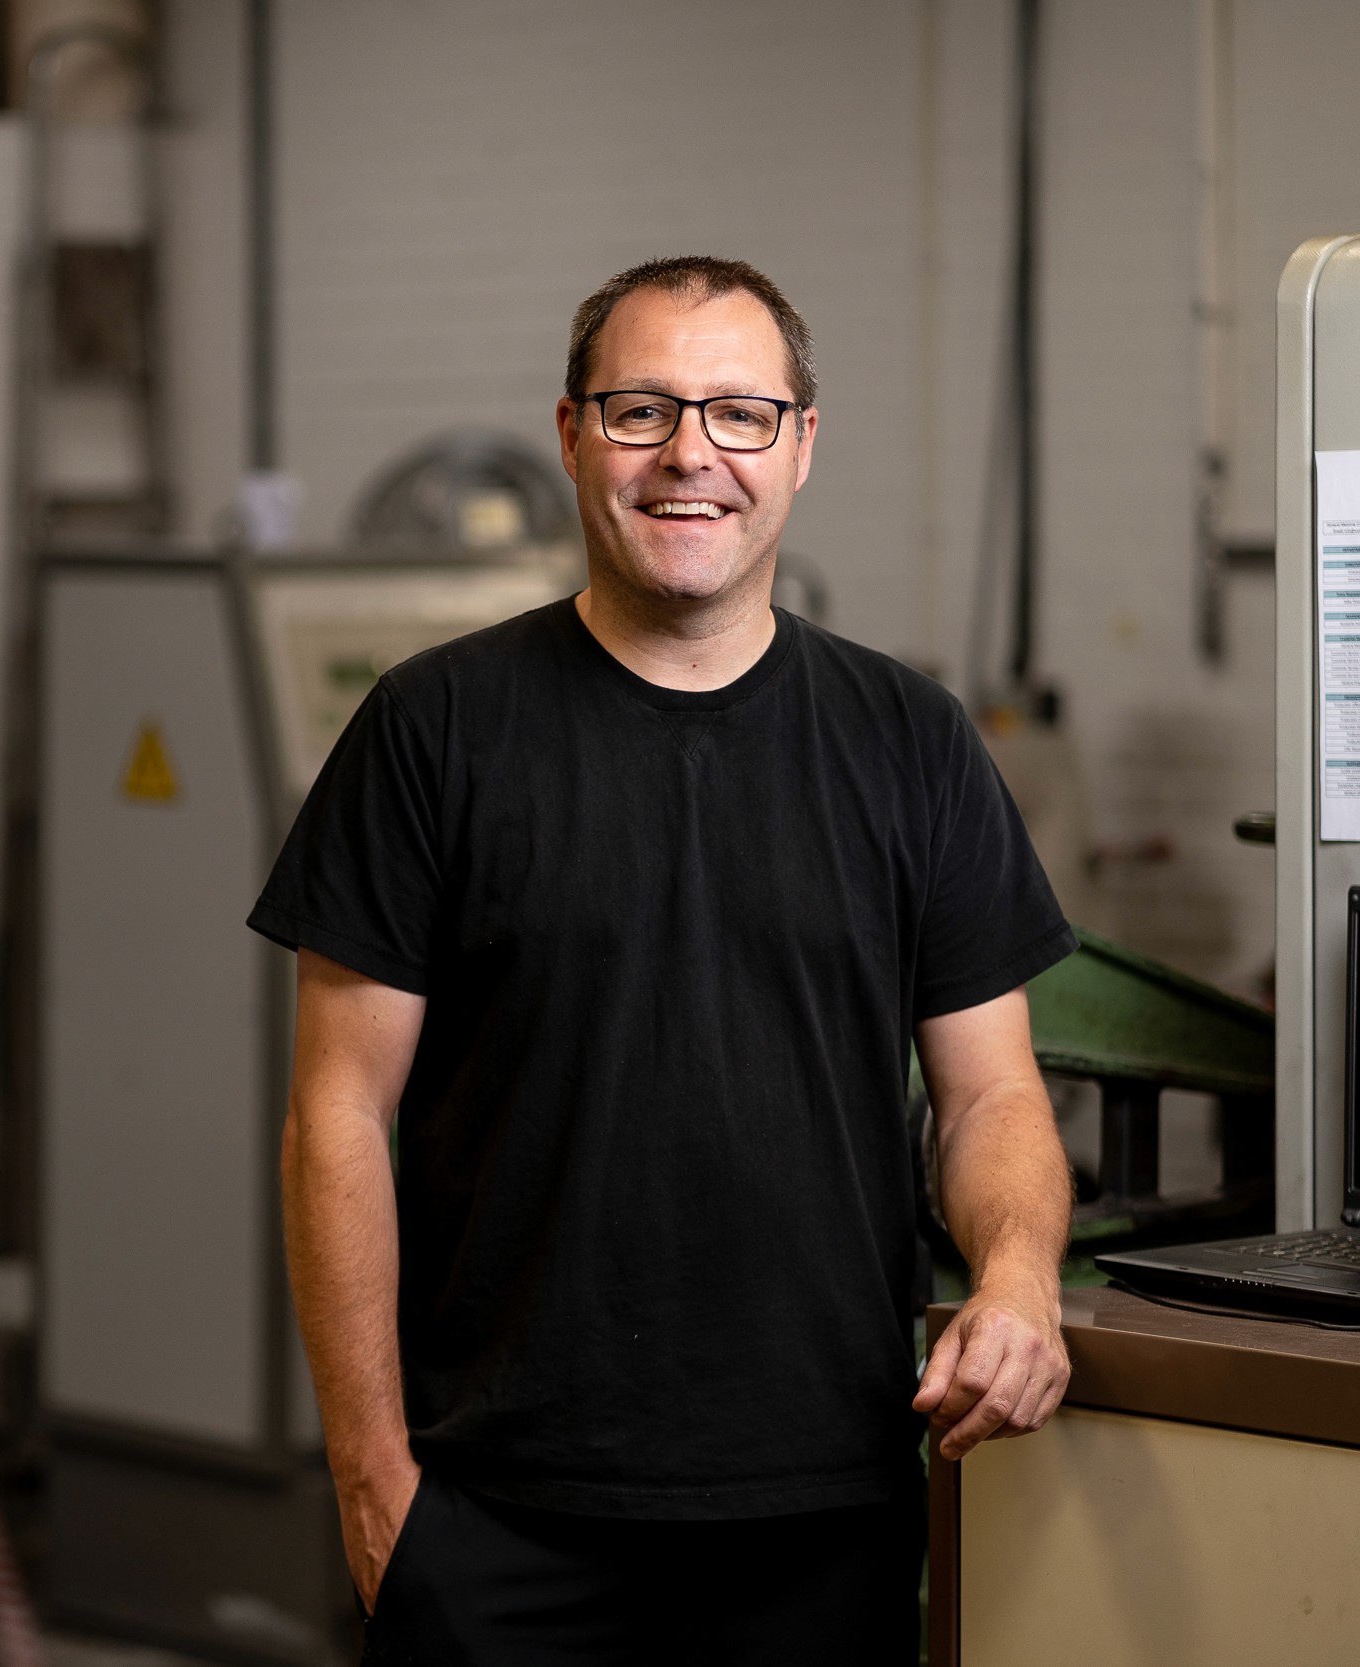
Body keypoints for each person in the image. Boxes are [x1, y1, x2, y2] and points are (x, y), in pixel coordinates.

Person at [250, 255, 1075, 1664]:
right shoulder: (431, 731)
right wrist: (373, 1478)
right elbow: (337, 1112)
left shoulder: (913, 743)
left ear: (802, 446)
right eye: (642, 411)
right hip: (499, 1514)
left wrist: (1017, 1278)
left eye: (741, 414)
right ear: (572, 435)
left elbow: (993, 1096)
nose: (691, 454)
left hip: (822, 1511)